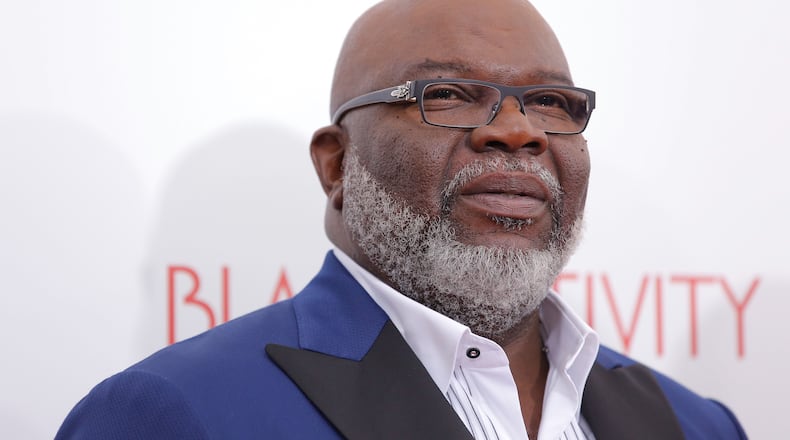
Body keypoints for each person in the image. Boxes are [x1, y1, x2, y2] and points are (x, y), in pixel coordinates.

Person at [56, 0, 747, 438]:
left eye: (552, 103)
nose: (517, 131)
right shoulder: (171, 415)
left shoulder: (696, 426)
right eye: (445, 94)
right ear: (336, 166)